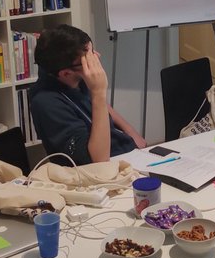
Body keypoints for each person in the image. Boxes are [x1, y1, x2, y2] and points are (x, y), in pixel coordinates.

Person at [28, 24, 147, 164]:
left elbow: (102, 106)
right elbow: (99, 160)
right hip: (94, 169)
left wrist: (130, 131)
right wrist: (98, 92)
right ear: (66, 73)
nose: (97, 57)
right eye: (88, 58)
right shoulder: (47, 104)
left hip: (124, 151)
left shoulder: (71, 75)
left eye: (92, 51)